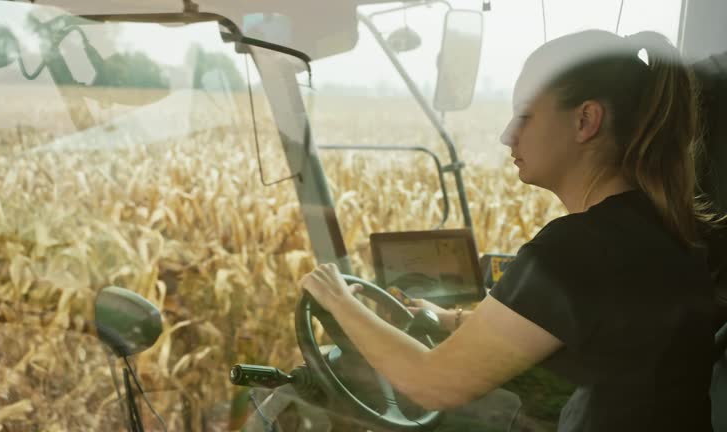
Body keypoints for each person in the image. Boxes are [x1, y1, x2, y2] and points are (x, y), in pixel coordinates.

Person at [300, 29, 725, 432]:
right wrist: (450, 320)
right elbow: (587, 331)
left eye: (524, 115)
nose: (508, 136)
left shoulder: (575, 250)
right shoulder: (661, 232)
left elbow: (433, 384)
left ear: (585, 120)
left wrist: (336, 297)